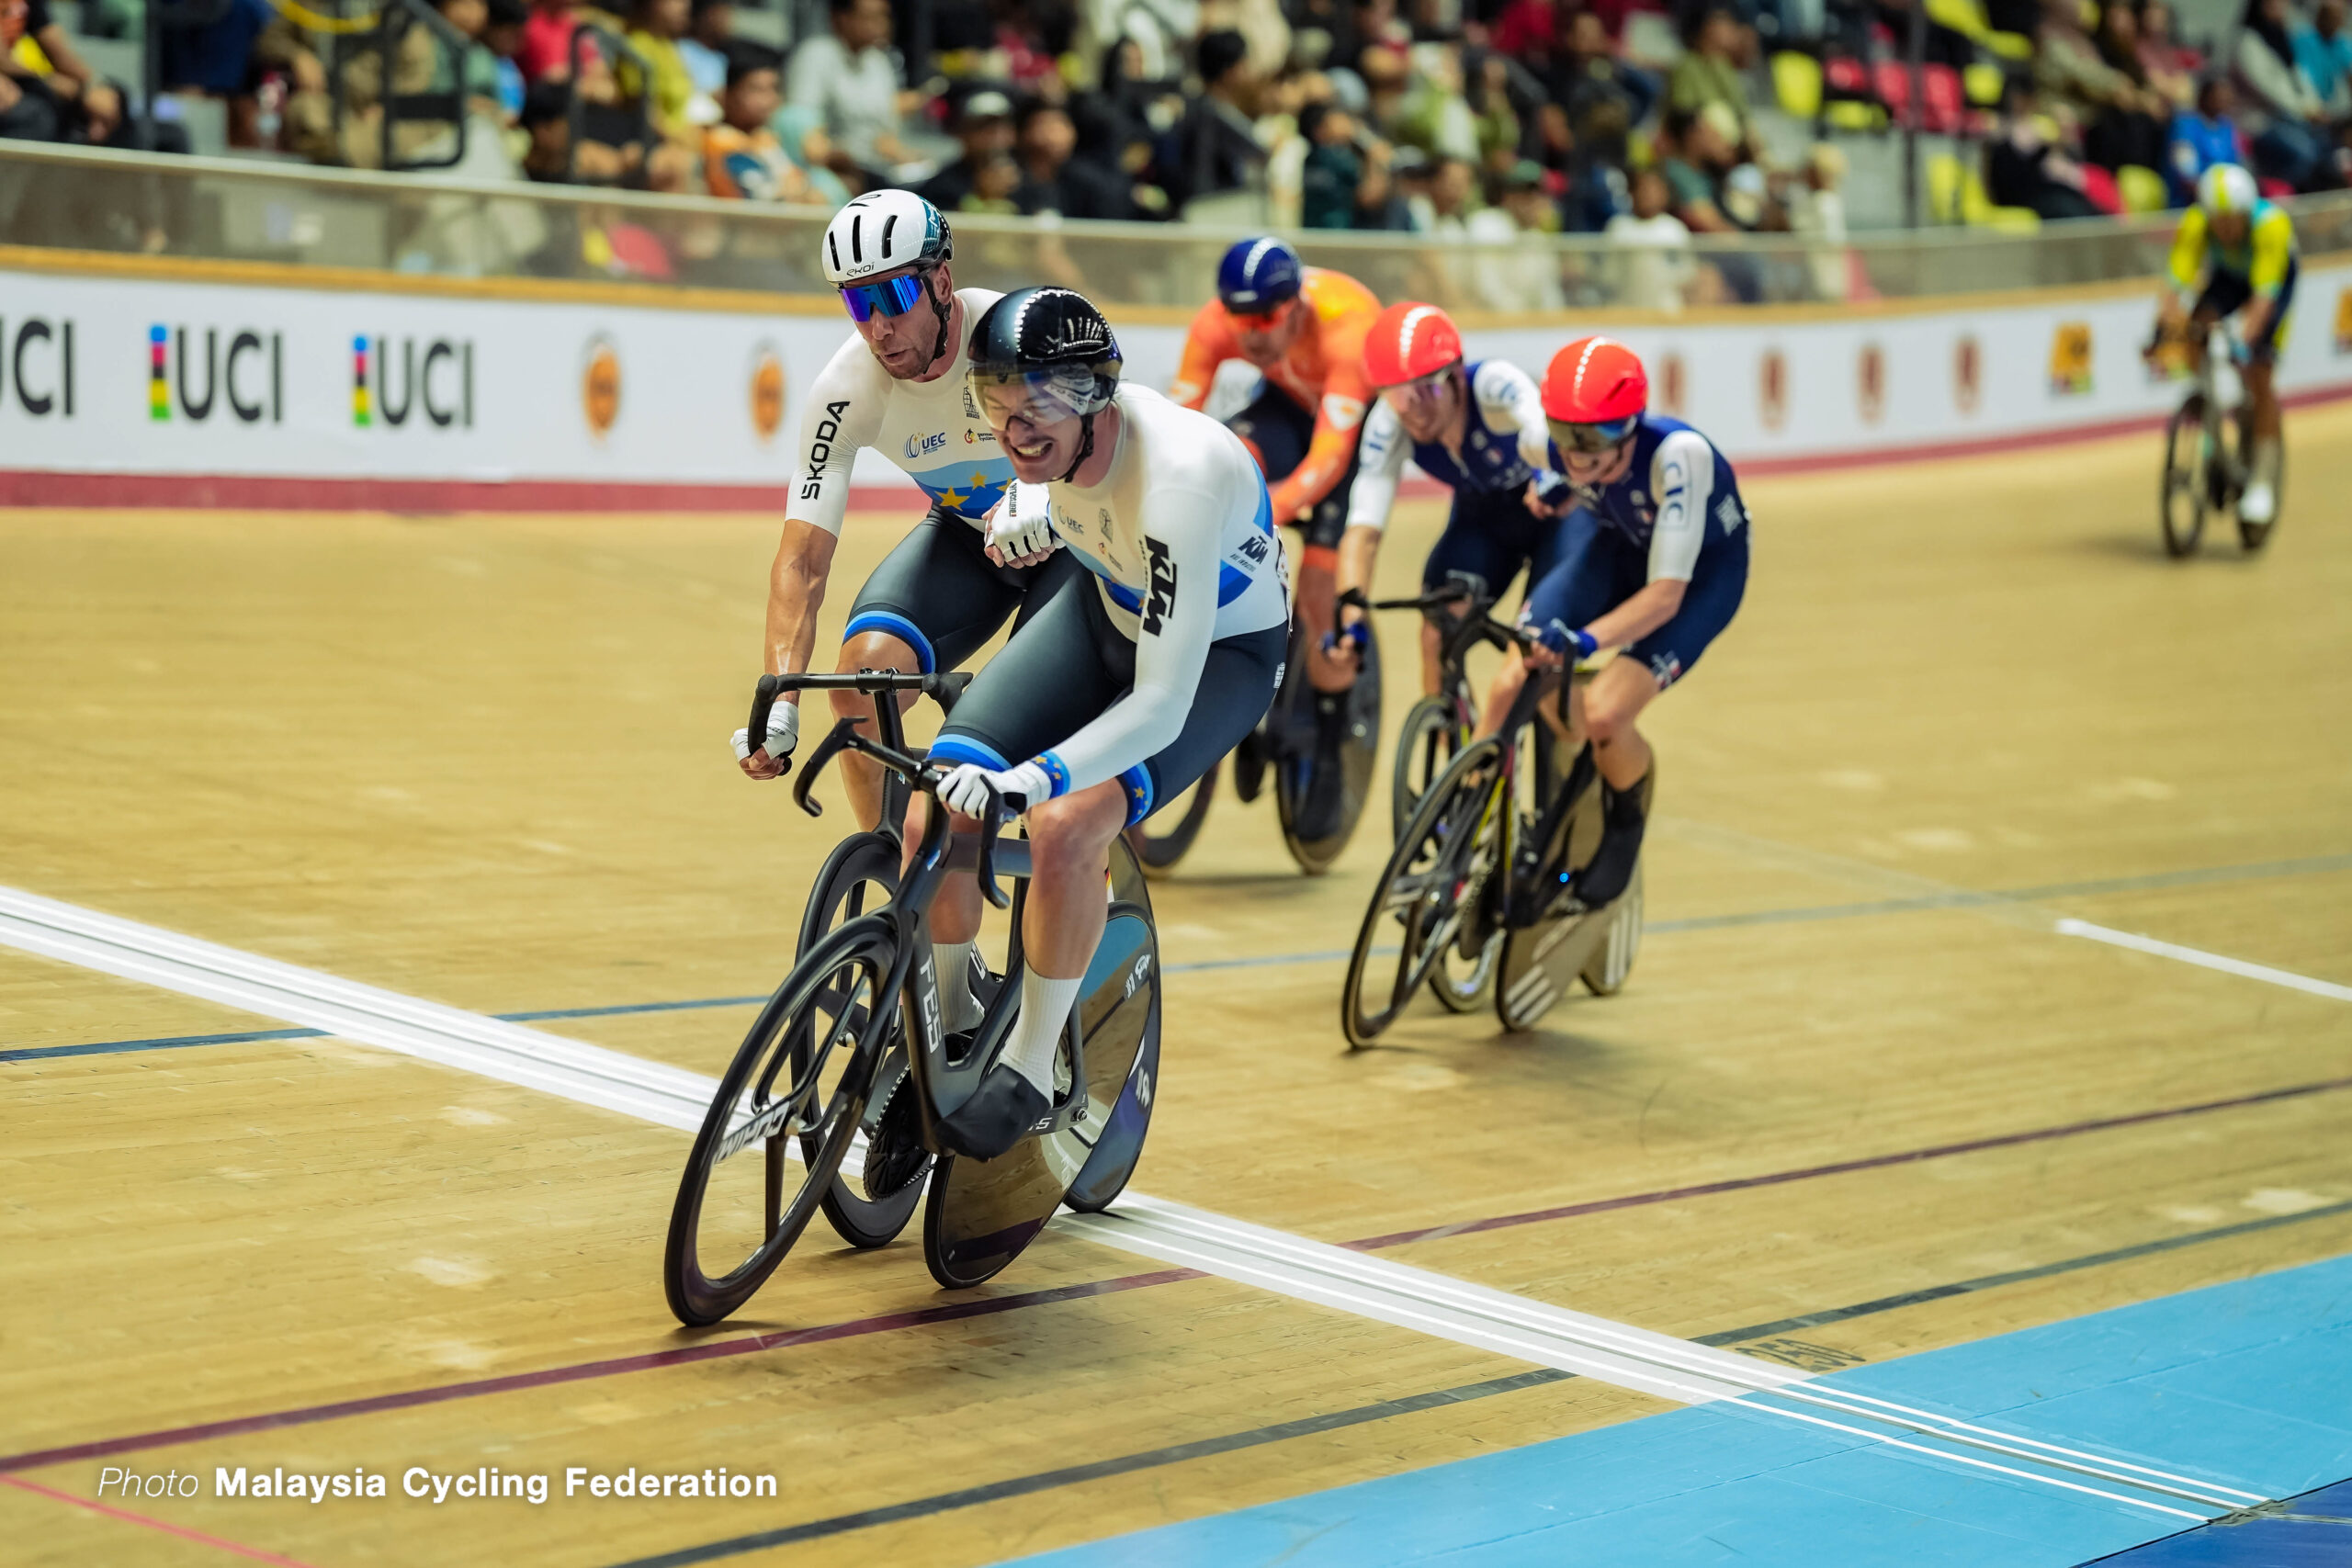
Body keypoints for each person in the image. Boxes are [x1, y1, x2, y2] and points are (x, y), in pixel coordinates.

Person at [918, 288, 1288, 1157]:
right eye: (994, 405)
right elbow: (1073, 505)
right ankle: (952, 1020)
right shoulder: (1057, 447)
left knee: (1066, 822)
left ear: (1095, 396)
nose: (1013, 431)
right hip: (1104, 610)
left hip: (1219, 661)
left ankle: (1030, 1066)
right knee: (939, 795)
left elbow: (1160, 704)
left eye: (1035, 406)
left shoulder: (1181, 482)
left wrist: (1037, 776)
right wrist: (1035, 510)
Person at [732, 191, 1050, 831]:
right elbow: (802, 562)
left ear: (942, 283)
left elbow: (1115, 443)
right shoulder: (845, 390)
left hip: (1075, 544)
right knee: (860, 691)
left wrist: (1047, 490)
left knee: (1034, 714)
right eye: (858, 303)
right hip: (970, 540)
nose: (878, 327)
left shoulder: (1011, 337)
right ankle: (903, 878)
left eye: (894, 297)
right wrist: (782, 695)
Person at [1494, 337, 1750, 908]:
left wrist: (1586, 641)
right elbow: (1542, 465)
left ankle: (1625, 819)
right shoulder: (1545, 444)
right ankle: (1516, 791)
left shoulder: (1679, 457)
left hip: (1699, 578)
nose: (1577, 452)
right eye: (1566, 434)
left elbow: (1664, 598)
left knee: (1607, 712)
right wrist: (1551, 485)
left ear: (1633, 425)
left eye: (1596, 438)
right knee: (1525, 659)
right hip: (1618, 548)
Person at [1167, 235, 1380, 821]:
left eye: (1265, 319)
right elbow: (1177, 427)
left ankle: (1331, 743)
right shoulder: (1216, 324)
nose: (1252, 334)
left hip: (1352, 432)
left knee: (1319, 583)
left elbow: (1329, 458)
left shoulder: (1346, 330)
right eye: (1241, 320)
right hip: (1286, 407)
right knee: (1232, 458)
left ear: (1297, 308)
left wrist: (1269, 511)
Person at [1332, 301, 1567, 700]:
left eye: (1429, 388)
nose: (1414, 408)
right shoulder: (1388, 425)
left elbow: (1542, 429)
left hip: (1552, 516)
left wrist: (1547, 476)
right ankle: (1453, 736)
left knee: (1535, 653)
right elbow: (1362, 533)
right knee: (1436, 634)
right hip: (1483, 520)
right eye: (1398, 395)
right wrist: (1351, 620)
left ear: (1457, 373)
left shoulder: (1492, 384)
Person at [2148, 162, 2296, 524]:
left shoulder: (2271, 226)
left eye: (2232, 221)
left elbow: (2262, 299)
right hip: (2229, 277)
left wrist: (2245, 340)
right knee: (2199, 323)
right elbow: (2177, 281)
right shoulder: (2197, 222)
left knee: (2259, 371)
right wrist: (2162, 331)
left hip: (2272, 282)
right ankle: (2209, 409)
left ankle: (2262, 482)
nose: (2225, 230)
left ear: (2246, 213)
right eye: (2219, 222)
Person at [701, 43, 812, 200]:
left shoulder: (767, 139)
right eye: (756, 90)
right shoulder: (719, 142)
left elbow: (798, 181)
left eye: (774, 89)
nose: (767, 100)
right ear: (728, 94)